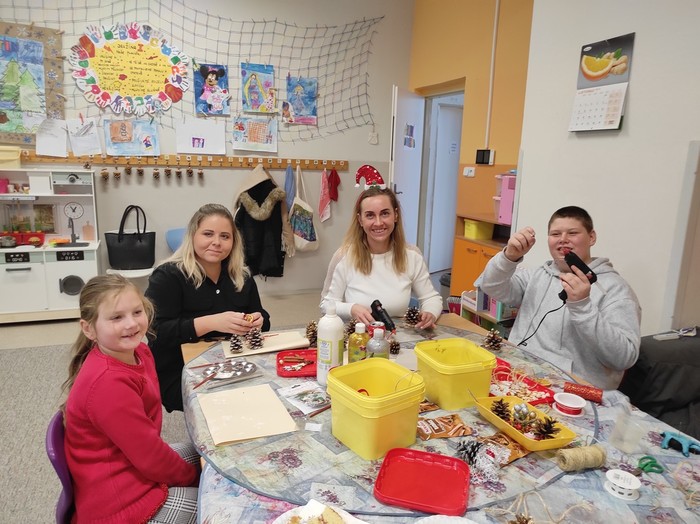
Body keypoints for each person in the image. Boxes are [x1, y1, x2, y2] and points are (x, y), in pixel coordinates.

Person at [62, 274, 200, 523]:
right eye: (116, 317)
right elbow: (152, 459)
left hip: (129, 464)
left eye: (137, 312)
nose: (131, 324)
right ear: (88, 329)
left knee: (205, 453)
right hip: (120, 505)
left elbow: (148, 449)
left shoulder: (140, 351)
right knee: (220, 503)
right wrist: (197, 479)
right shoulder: (108, 384)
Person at [479, 205, 641, 390]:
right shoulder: (539, 274)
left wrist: (582, 307)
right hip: (518, 373)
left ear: (591, 237)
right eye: (555, 234)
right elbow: (490, 285)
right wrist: (508, 257)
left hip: (571, 389)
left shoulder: (615, 289)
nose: (563, 239)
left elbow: (624, 358)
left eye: (572, 233)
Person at [146, 203, 270, 412]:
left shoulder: (242, 276)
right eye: (208, 234)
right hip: (180, 369)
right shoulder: (168, 276)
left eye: (225, 236)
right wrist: (210, 323)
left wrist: (259, 320)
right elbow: (155, 332)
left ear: (234, 241)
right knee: (232, 403)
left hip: (234, 362)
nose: (216, 242)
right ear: (192, 236)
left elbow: (263, 320)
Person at [321, 185, 442, 329]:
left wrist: (430, 313)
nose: (378, 223)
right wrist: (351, 309)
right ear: (360, 220)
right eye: (370, 215)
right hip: (359, 337)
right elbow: (326, 304)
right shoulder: (344, 256)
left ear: (395, 215)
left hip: (399, 335)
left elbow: (431, 298)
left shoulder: (412, 255)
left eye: (385, 214)